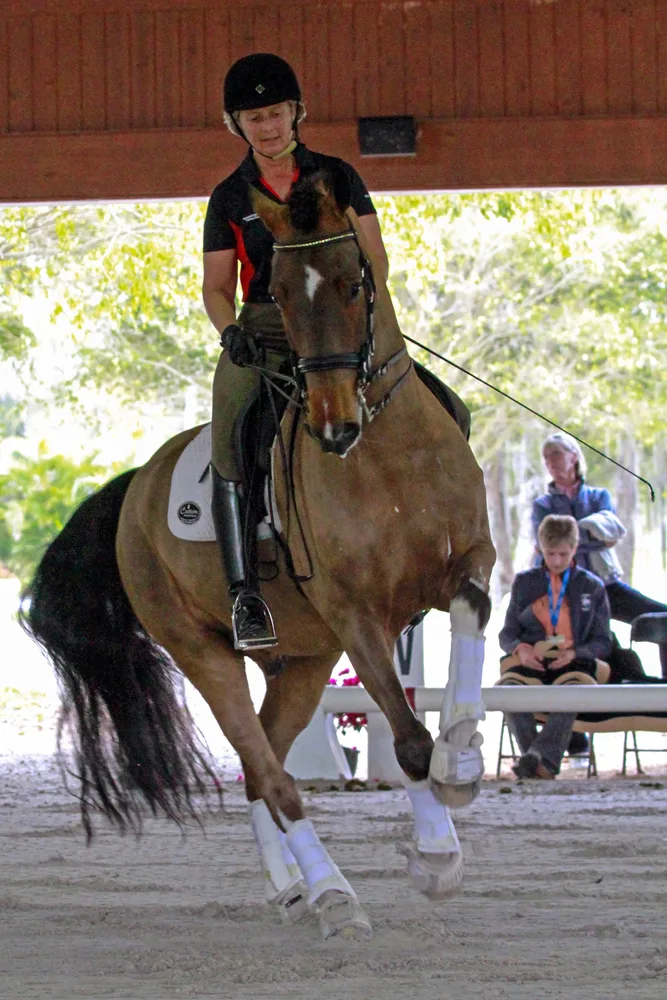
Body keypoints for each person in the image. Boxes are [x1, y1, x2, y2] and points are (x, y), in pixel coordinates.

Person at [202, 53, 389, 651]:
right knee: (229, 432)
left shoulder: (338, 175)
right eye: (254, 117)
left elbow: (374, 254)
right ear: (239, 124)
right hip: (264, 329)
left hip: (338, 316)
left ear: (296, 113)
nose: (268, 126)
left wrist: (369, 312)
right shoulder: (230, 197)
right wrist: (229, 330)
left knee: (438, 402)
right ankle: (244, 597)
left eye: (276, 113)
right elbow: (214, 286)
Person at [532, 431, 667, 679]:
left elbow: (613, 534)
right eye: (546, 458)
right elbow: (544, 544)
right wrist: (592, 533)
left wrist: (567, 536)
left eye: (556, 454)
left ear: (573, 457)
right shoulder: (542, 505)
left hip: (607, 587)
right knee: (607, 649)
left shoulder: (598, 496)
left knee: (664, 618)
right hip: (568, 593)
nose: (550, 462)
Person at [498, 514, 612, 779]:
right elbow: (507, 634)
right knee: (508, 692)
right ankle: (541, 763)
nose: (557, 561)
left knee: (570, 692)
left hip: (573, 664)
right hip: (532, 662)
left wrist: (575, 653)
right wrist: (521, 650)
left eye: (563, 554)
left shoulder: (591, 586)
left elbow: (603, 642)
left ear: (574, 550)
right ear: (540, 550)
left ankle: (536, 760)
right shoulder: (525, 583)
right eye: (550, 554)